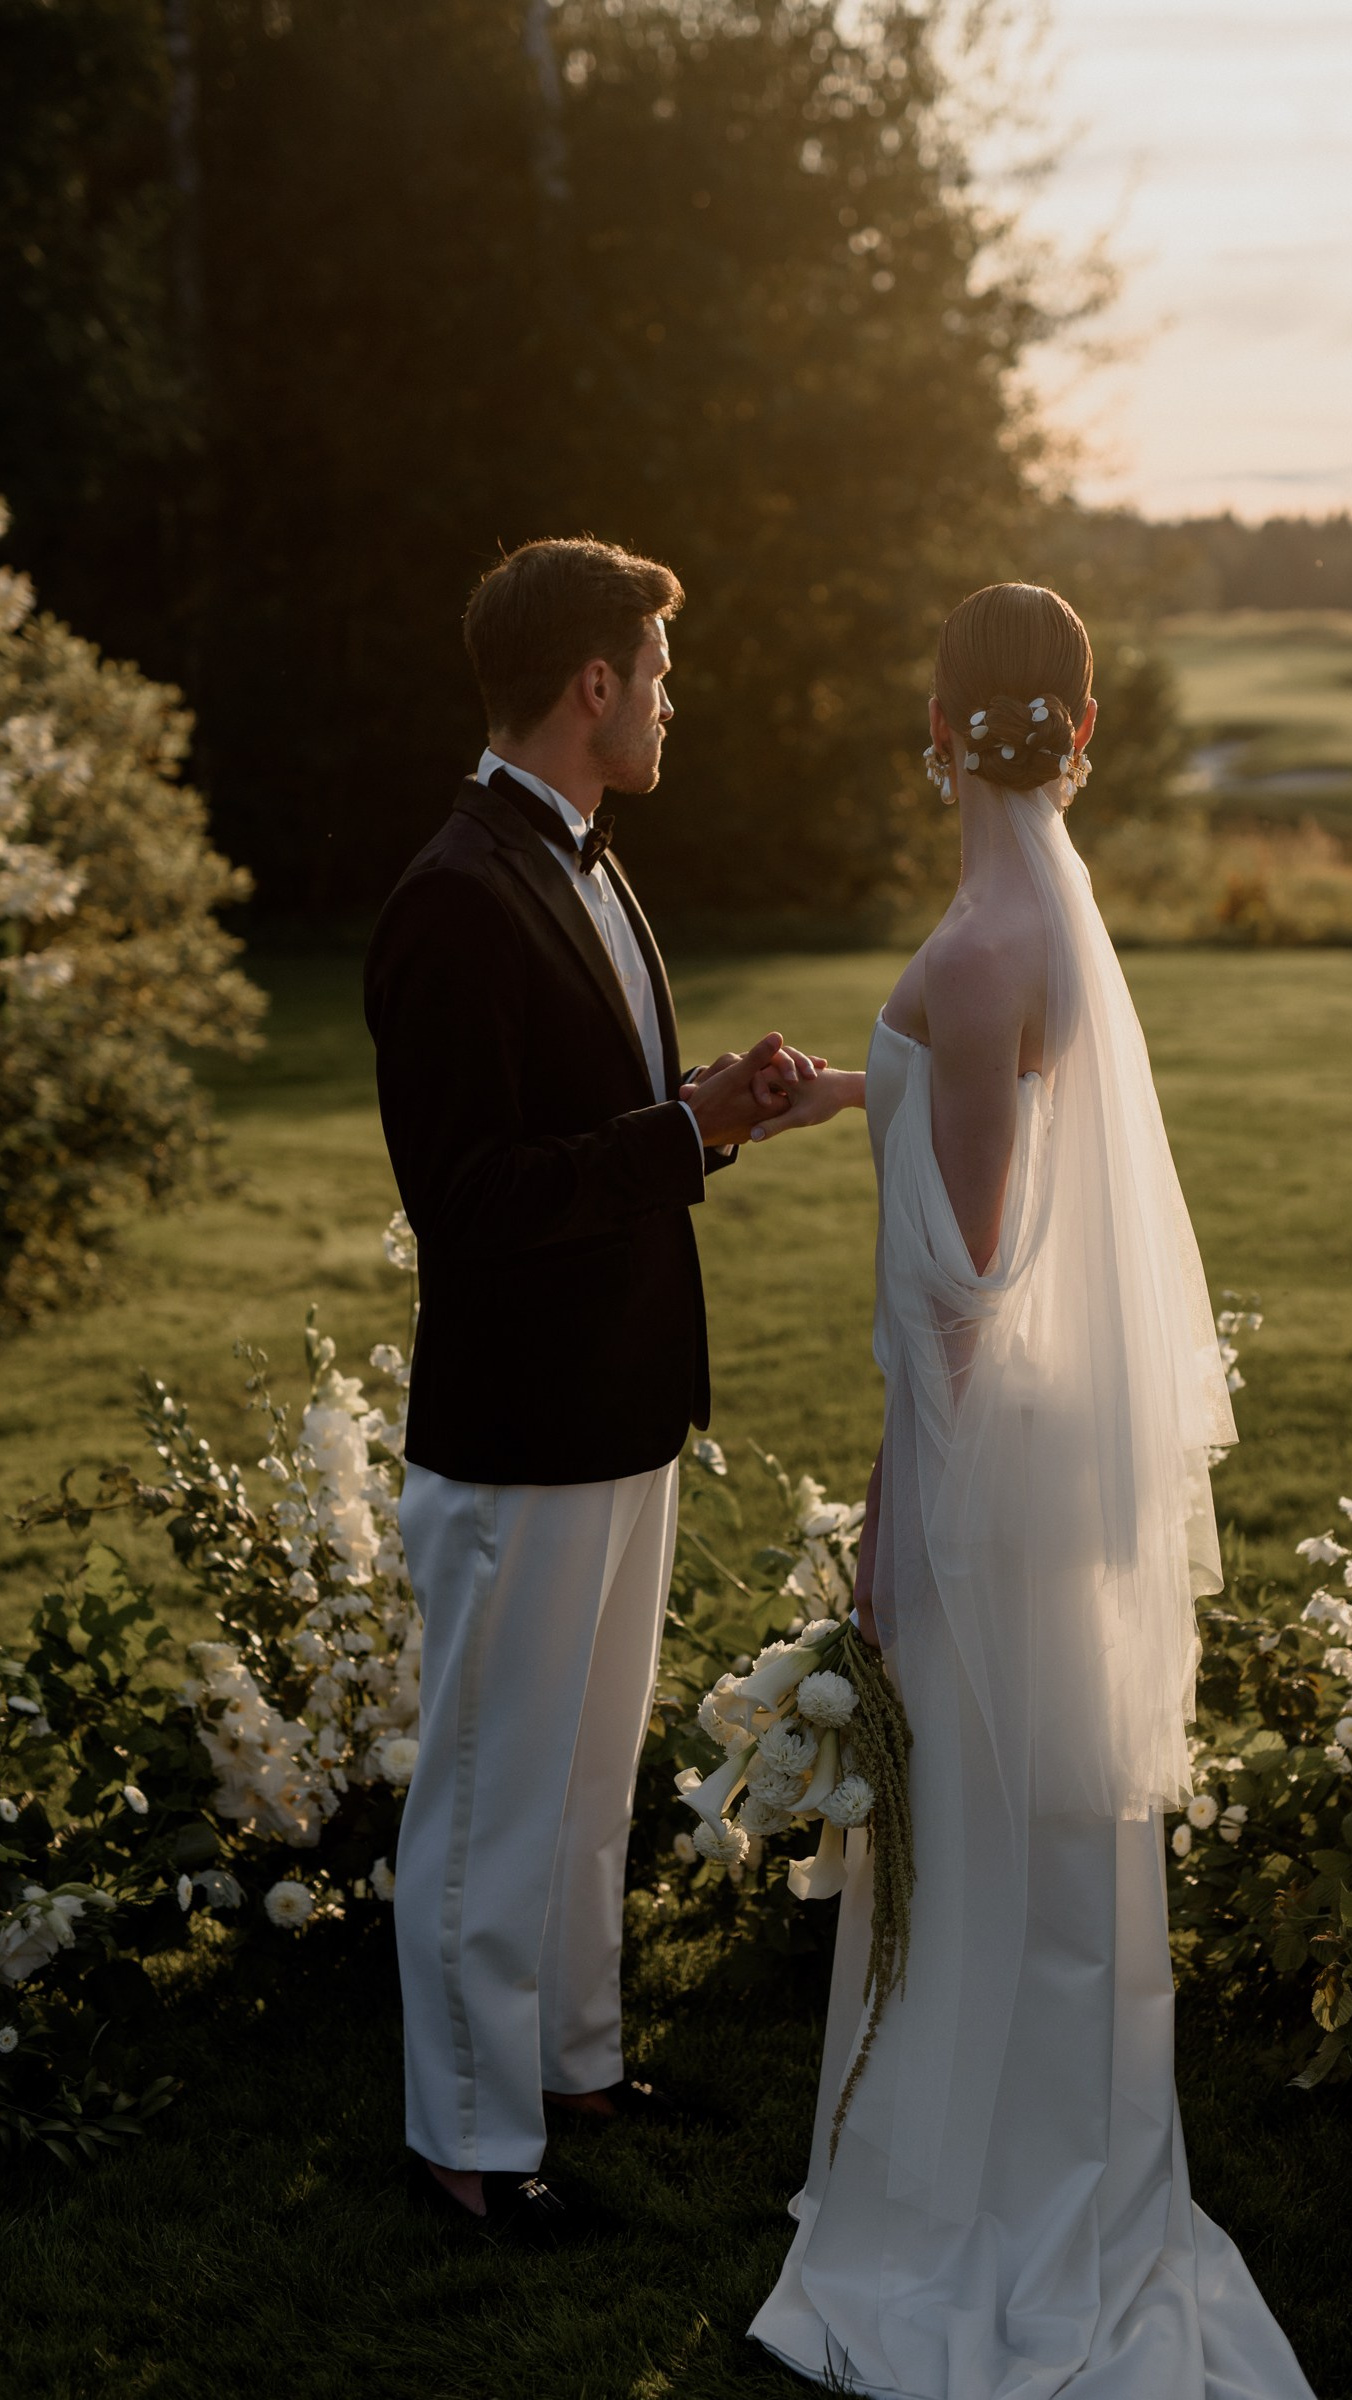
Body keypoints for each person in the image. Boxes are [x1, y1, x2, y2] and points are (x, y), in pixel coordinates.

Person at [746, 584, 1318, 2396]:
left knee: (985, 1830)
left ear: (941, 730)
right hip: (1041, 1462)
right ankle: (1048, 2159)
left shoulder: (987, 945)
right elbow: (981, 1111)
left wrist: (893, 1511)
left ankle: (986, 2205)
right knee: (1038, 1844)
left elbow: (971, 1294)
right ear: (1074, 737)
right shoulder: (1034, 931)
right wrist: (856, 1089)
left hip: (984, 1480)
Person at [363, 536, 824, 2243]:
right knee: (491, 1792)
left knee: (581, 1777)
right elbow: (469, 1204)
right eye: (660, 668)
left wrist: (700, 1102)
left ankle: (571, 2066)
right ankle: (468, 2148)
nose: (673, 697)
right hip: (516, 1432)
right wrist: (682, 1131)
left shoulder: (593, 867)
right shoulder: (454, 893)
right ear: (595, 685)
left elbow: (603, 1130)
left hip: (622, 1407)